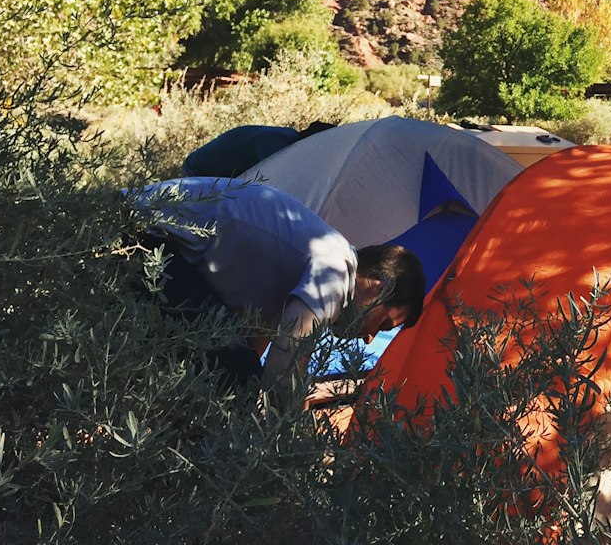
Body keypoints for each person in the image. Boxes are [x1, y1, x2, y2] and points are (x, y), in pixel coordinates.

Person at [133, 176, 426, 392]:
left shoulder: (300, 278)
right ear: (376, 288)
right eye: (384, 324)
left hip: (158, 248)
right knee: (233, 373)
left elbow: (258, 348)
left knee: (233, 370)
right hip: (140, 239)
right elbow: (285, 363)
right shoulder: (337, 268)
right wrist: (290, 445)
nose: (370, 339)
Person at [181, 121, 336, 178]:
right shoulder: (276, 146)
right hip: (199, 172)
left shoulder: (287, 138)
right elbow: (272, 180)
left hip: (210, 172)